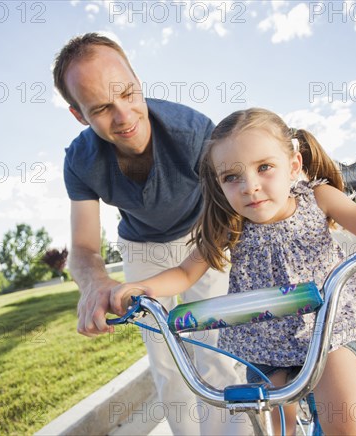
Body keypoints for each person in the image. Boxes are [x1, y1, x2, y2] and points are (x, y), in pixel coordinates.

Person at [111, 108, 356, 435]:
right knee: (275, 427)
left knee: (348, 422)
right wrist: (137, 288)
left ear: (293, 166)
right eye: (231, 177)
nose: (250, 187)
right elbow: (184, 274)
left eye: (264, 167)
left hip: (325, 330)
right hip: (264, 344)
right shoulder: (229, 225)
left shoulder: (318, 198)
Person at [53, 33, 251, 435]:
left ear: (138, 80)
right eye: (103, 108)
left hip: (204, 232)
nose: (125, 116)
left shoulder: (194, 132)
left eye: (128, 93)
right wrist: (94, 283)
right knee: (166, 363)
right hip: (141, 244)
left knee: (213, 350)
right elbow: (85, 248)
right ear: (79, 115)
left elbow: (232, 209)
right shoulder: (79, 161)